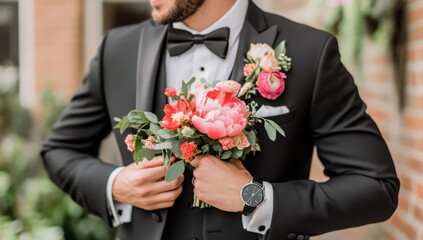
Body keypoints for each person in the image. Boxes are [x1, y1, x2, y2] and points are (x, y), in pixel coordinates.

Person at [41, 0, 400, 239]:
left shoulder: (309, 52)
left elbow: (375, 187)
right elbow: (60, 149)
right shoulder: (117, 49)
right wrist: (115, 184)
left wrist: (255, 197)